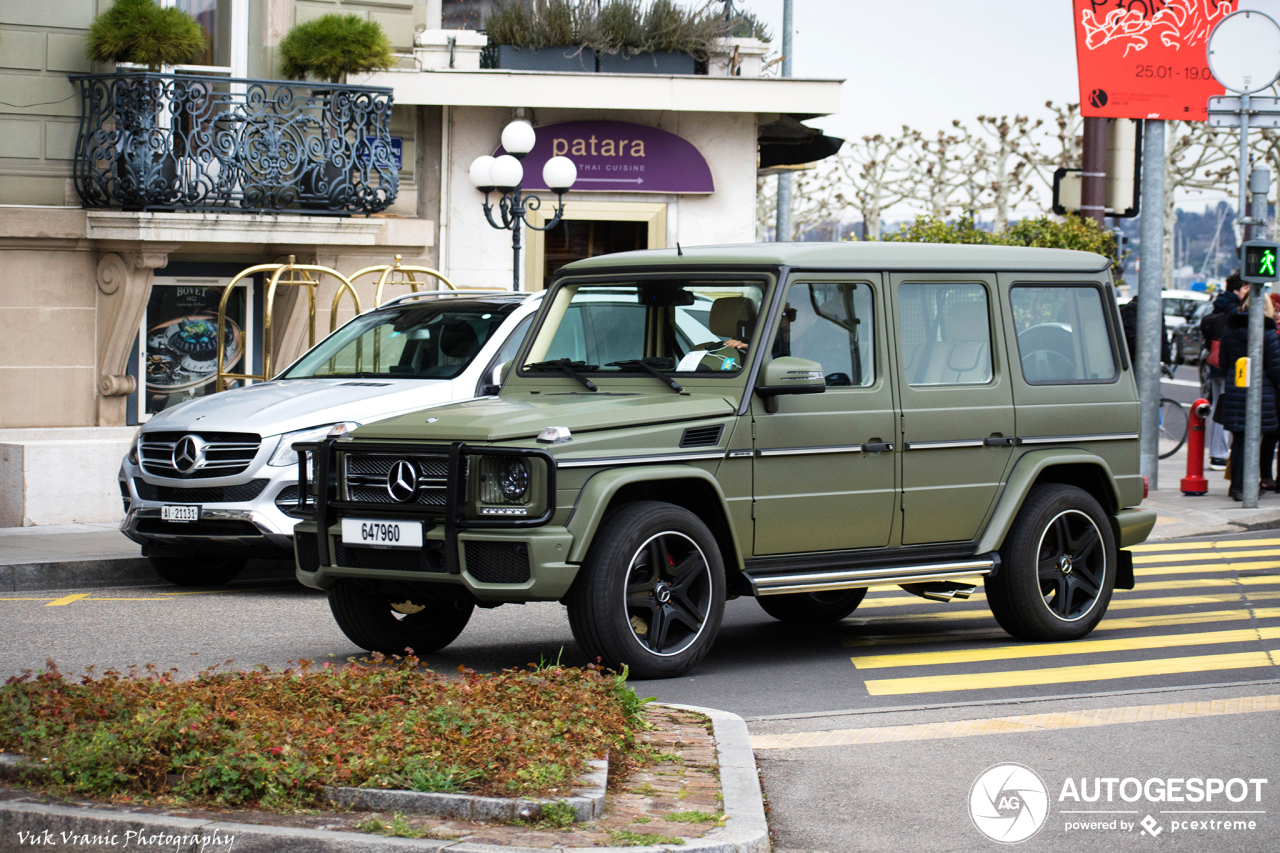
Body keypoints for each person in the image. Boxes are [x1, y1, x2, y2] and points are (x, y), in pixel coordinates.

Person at [1214, 287, 1280, 501]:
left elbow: (1223, 362)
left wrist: (1233, 377)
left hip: (1235, 387)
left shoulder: (1229, 329)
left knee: (1239, 440)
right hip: (1262, 391)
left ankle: (1236, 485)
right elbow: (1275, 367)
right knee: (1254, 438)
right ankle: (1247, 486)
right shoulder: (1267, 332)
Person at [1202, 273, 1247, 469]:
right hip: (1229, 365)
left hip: (1215, 363)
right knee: (1225, 408)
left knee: (1218, 406)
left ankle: (1217, 451)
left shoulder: (1219, 305)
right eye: (1246, 288)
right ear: (1237, 290)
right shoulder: (1233, 310)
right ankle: (1219, 453)